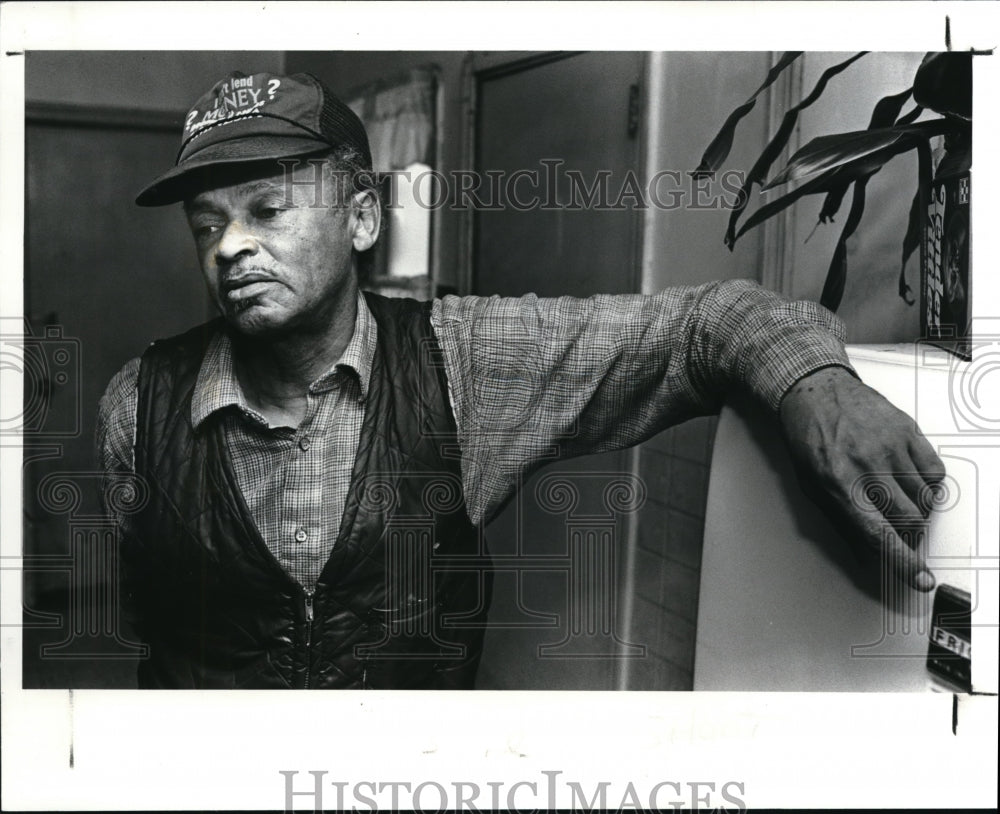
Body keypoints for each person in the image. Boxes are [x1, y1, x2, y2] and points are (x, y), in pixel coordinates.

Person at [98, 70, 946, 689]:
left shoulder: (464, 357)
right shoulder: (140, 404)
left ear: (361, 217)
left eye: (266, 211)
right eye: (207, 225)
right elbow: (150, 624)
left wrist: (818, 387)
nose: (230, 247)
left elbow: (705, 323)